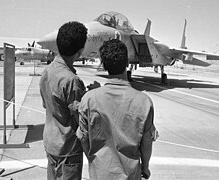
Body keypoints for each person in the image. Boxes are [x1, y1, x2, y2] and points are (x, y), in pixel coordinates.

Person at [77, 39, 159, 180]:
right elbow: (147, 142)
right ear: (127, 63)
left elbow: (83, 138)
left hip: (100, 173)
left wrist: (94, 161)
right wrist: (145, 167)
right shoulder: (144, 102)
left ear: (103, 64)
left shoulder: (89, 99)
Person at [39, 21, 88, 180]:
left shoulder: (47, 72)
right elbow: (81, 119)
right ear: (79, 52)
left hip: (51, 142)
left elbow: (47, 104)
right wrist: (90, 97)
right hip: (68, 150)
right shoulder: (72, 81)